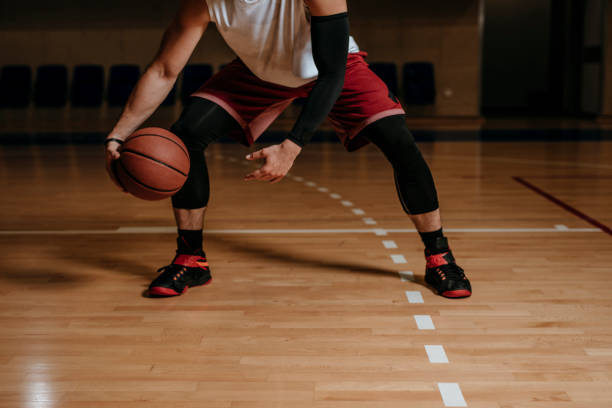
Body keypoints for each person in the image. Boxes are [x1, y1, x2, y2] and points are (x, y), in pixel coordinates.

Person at [104, 0, 472, 299]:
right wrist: (119, 136)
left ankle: (439, 255)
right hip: (259, 75)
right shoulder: (204, 2)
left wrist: (292, 146)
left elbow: (331, 73)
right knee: (185, 135)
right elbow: (164, 71)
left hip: (334, 70)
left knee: (400, 142)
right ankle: (191, 259)